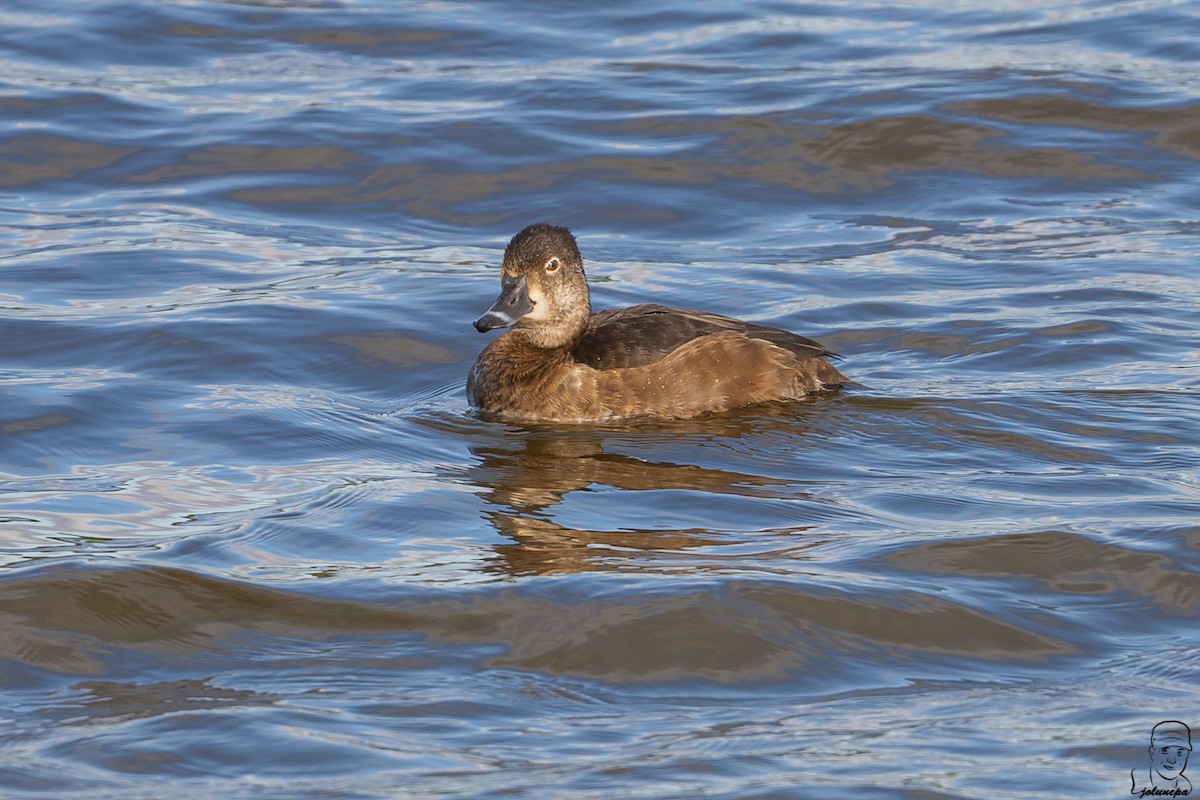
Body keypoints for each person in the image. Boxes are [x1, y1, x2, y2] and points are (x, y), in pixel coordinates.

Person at [1132, 720, 1192, 796]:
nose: (1172, 760)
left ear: (1187, 755)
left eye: (1179, 753)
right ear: (1152, 752)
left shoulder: (1186, 787)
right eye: (1165, 751)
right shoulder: (1137, 778)